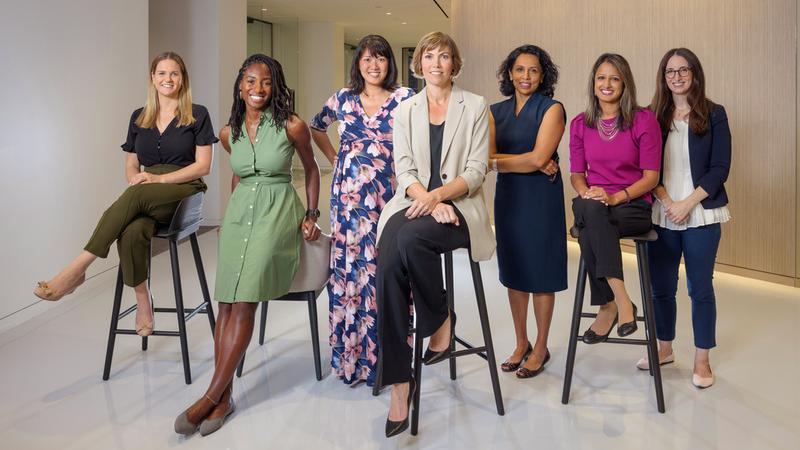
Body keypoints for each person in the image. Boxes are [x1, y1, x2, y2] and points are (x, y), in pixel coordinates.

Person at [174, 54, 321, 436]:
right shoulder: (227, 133)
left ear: (276, 87)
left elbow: (311, 169)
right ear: (240, 85)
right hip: (239, 217)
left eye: (266, 82)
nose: (258, 89)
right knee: (225, 303)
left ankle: (208, 397)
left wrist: (311, 214)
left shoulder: (292, 125)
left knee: (244, 301)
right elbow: (241, 176)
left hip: (277, 213)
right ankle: (224, 399)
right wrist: (228, 218)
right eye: (251, 81)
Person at [34, 52, 215, 337]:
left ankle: (77, 269)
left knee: (134, 198)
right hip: (147, 189)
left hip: (184, 189)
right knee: (132, 229)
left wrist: (159, 178)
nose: (168, 79)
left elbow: (204, 166)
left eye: (174, 74)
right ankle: (144, 301)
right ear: (152, 78)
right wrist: (136, 178)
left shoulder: (198, 114)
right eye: (162, 73)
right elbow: (131, 162)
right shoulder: (138, 117)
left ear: (183, 79)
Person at [375, 31, 495, 438]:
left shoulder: (475, 106)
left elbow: (477, 170)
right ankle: (399, 384)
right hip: (412, 202)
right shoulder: (404, 110)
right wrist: (426, 199)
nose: (436, 63)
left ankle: (440, 320)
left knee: (408, 241)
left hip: (460, 208)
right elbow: (404, 168)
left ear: (454, 64)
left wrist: (442, 196)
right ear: (419, 63)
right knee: (389, 260)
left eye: (444, 56)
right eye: (429, 56)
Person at [310, 34, 414, 386]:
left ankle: (390, 359)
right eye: (367, 58)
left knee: (385, 269)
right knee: (351, 274)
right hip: (348, 203)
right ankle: (351, 358)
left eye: (381, 58)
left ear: (390, 64)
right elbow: (316, 126)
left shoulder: (404, 99)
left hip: (389, 198)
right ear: (358, 63)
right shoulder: (342, 98)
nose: (374, 65)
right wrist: (335, 156)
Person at [641, 48, 731, 389]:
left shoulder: (714, 113)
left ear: (694, 73)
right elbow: (645, 165)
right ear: (663, 77)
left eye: (683, 70)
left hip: (702, 212)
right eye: (669, 71)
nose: (676, 76)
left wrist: (687, 204)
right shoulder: (652, 116)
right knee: (661, 287)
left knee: (700, 287)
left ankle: (702, 359)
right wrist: (667, 202)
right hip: (661, 211)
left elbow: (720, 168)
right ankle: (664, 348)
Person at [569, 53, 662, 344]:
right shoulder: (580, 123)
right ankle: (621, 300)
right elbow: (576, 173)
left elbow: (651, 177)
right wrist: (586, 191)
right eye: (601, 77)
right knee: (591, 210)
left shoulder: (643, 120)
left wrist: (614, 196)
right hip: (594, 201)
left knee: (588, 226)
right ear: (593, 82)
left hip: (633, 205)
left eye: (614, 78)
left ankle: (608, 305)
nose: (606, 84)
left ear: (625, 84)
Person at [488, 44, 567, 379]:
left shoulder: (552, 109)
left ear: (542, 75)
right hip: (509, 200)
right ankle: (521, 343)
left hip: (541, 200)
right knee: (515, 273)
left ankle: (541, 347)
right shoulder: (493, 111)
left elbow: (537, 159)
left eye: (533, 70)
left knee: (541, 273)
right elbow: (487, 159)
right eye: (520, 69)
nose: (526, 76)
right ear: (510, 73)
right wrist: (527, 161)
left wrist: (503, 162)